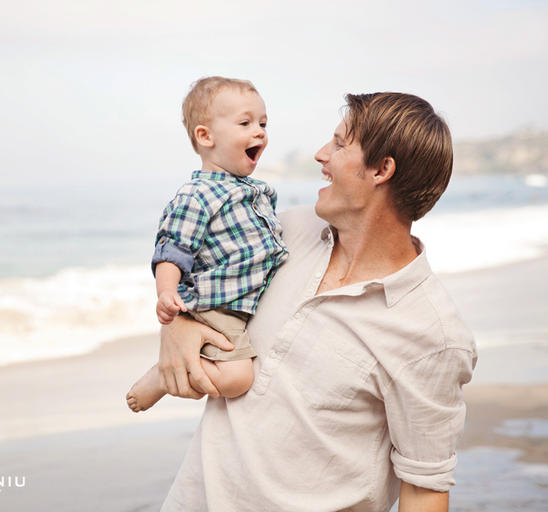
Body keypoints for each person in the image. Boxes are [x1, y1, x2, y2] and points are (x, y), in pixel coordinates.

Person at [157, 92, 478, 511]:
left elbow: (425, 488)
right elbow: (197, 276)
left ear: (382, 169)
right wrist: (176, 326)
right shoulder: (279, 234)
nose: (321, 154)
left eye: (341, 144)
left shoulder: (431, 334)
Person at [126, 77, 288, 413]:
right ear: (205, 136)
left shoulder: (256, 191)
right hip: (216, 304)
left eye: (262, 123)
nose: (259, 131)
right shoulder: (197, 195)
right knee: (238, 378)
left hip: (242, 301)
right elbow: (173, 249)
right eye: (245, 123)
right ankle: (165, 376)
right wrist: (166, 294)